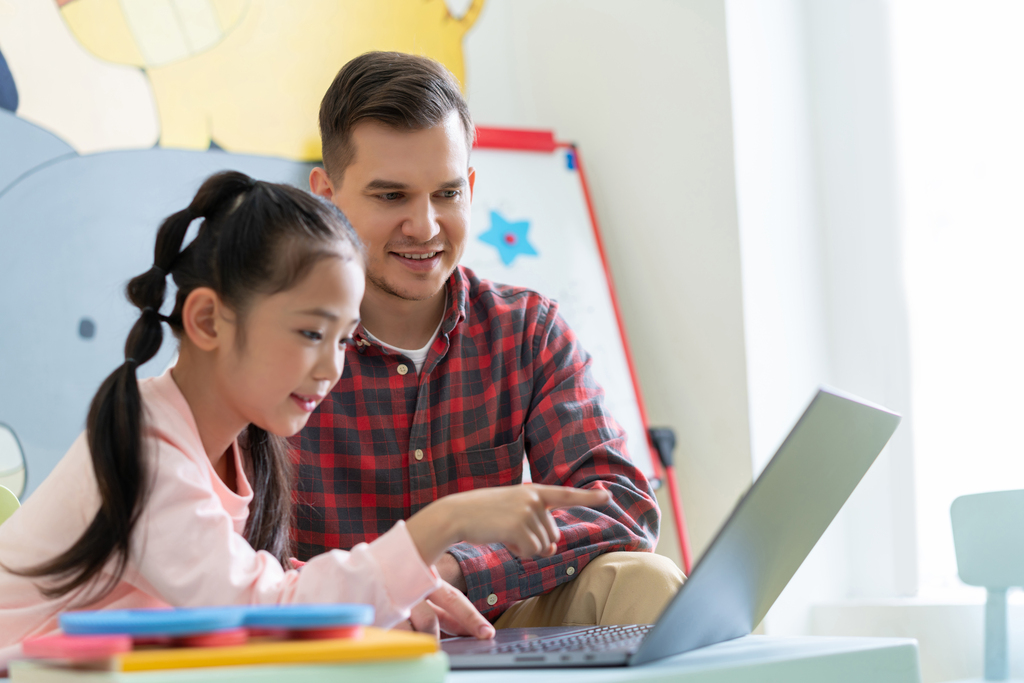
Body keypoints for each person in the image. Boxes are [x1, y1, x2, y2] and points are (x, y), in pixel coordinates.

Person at [0, 171, 611, 666]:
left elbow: (257, 581)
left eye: (344, 340)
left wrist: (402, 590)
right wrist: (442, 524)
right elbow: (259, 610)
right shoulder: (147, 449)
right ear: (209, 321)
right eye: (311, 333)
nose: (331, 368)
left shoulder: (241, 444)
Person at [302, 52, 685, 635]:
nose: (426, 226)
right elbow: (230, 556)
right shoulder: (279, 342)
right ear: (327, 194)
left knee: (647, 582)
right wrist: (380, 597)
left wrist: (455, 570)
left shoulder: (527, 330)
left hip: (499, 624)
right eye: (390, 196)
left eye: (447, 193)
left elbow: (620, 505)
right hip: (340, 636)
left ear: (471, 188)